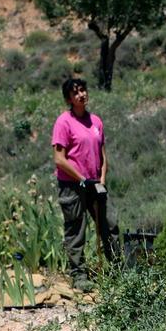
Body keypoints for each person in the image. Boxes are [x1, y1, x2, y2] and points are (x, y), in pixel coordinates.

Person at [52, 77, 119, 290]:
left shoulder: (96, 121)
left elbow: (102, 154)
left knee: (110, 224)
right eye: (76, 92)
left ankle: (118, 268)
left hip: (94, 182)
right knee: (76, 228)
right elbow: (59, 159)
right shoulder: (64, 122)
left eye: (83, 90)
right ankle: (79, 276)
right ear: (69, 99)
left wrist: (101, 179)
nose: (82, 94)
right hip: (73, 184)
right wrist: (82, 179)